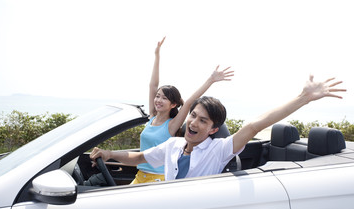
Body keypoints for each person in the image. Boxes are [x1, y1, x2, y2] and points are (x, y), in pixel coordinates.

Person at [91, 75, 346, 181]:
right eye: (193, 116)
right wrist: (110, 154)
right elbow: (140, 157)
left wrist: (303, 98)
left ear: (213, 129)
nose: (193, 123)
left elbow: (256, 125)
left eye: (203, 121)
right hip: (167, 205)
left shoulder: (220, 149)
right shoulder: (174, 145)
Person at [130, 37, 233, 184]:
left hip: (157, 179)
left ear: (173, 104)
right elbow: (153, 85)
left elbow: (190, 101)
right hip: (140, 175)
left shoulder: (172, 125)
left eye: (164, 98)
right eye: (158, 96)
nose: (158, 100)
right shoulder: (152, 117)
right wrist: (157, 55)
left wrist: (210, 80)